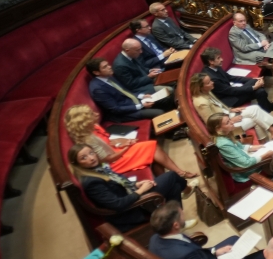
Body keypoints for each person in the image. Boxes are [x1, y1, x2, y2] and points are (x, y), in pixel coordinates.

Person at [70, 144, 188, 231]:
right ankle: (184, 198)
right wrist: (141, 190)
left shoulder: (98, 169)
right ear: (77, 164)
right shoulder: (91, 182)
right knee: (172, 176)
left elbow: (120, 183)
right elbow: (118, 204)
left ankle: (176, 222)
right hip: (132, 209)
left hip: (132, 195)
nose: (91, 158)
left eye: (91, 153)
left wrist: (137, 184)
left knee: (175, 187)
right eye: (83, 158)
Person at [148, 202, 264, 259]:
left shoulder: (154, 239)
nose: (184, 216)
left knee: (234, 240)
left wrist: (214, 251)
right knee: (265, 255)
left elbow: (196, 252)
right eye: (182, 215)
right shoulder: (185, 255)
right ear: (176, 225)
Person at [64, 104, 196, 177]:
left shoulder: (92, 127)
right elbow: (107, 159)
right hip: (113, 163)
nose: (96, 114)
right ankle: (179, 173)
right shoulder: (88, 139)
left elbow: (108, 140)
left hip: (114, 151)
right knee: (152, 147)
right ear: (84, 122)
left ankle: (174, 176)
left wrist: (124, 141)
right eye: (92, 115)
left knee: (151, 149)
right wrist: (126, 148)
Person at [191, 73, 273, 141]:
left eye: (210, 80)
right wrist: (231, 121)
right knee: (256, 120)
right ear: (200, 87)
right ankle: (267, 140)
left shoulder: (207, 91)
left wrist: (230, 109)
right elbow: (212, 124)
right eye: (208, 83)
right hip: (225, 129)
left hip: (228, 115)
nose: (212, 83)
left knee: (255, 108)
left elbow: (219, 105)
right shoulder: (201, 103)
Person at [201, 47, 273, 112]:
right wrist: (253, 87)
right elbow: (231, 91)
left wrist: (253, 79)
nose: (222, 59)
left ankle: (268, 109)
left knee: (260, 90)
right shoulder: (212, 78)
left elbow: (230, 77)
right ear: (211, 61)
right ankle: (268, 108)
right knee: (259, 90)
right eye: (218, 58)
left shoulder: (214, 67)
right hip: (229, 99)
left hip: (231, 92)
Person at [86, 58, 164, 121]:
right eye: (105, 67)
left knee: (164, 98)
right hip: (124, 113)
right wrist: (141, 105)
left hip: (133, 102)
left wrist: (142, 96)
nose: (109, 67)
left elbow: (125, 92)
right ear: (96, 72)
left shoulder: (109, 77)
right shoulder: (98, 89)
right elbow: (116, 109)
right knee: (159, 112)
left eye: (108, 65)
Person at [208, 113, 273, 183]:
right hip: (246, 172)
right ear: (218, 129)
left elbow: (241, 147)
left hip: (246, 158)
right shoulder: (223, 144)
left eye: (229, 120)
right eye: (228, 122)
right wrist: (266, 155)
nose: (232, 122)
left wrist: (257, 147)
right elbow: (246, 164)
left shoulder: (225, 134)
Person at [112, 39, 174, 108]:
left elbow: (141, 67)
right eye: (138, 50)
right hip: (140, 88)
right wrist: (148, 77)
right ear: (127, 50)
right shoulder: (120, 66)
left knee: (173, 78)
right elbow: (131, 84)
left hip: (146, 79)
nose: (141, 52)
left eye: (140, 49)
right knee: (169, 90)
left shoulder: (132, 54)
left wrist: (149, 70)